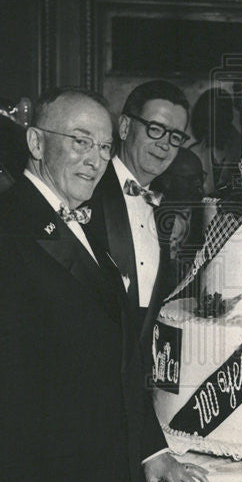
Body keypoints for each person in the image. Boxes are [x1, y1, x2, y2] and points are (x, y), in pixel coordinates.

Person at [0, 87, 208, 482]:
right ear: (37, 144)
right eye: (80, 141)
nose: (96, 159)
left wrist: (148, 449)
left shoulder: (82, 225)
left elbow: (117, 355)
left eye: (104, 147)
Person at [86, 80, 193, 361]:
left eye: (175, 136)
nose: (164, 145)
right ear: (124, 127)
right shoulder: (87, 189)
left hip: (140, 370)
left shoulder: (164, 204)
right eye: (155, 129)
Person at [187, 87, 242, 194]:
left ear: (228, 119)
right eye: (207, 121)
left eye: (217, 120)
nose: (210, 129)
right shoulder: (194, 153)